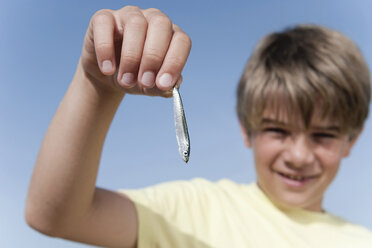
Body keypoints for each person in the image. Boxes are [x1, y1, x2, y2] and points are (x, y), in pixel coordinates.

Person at [25, 5, 372, 248]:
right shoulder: (197, 209)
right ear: (246, 129)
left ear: (351, 140)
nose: (298, 155)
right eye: (277, 131)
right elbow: (55, 217)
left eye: (323, 135)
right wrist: (95, 85)